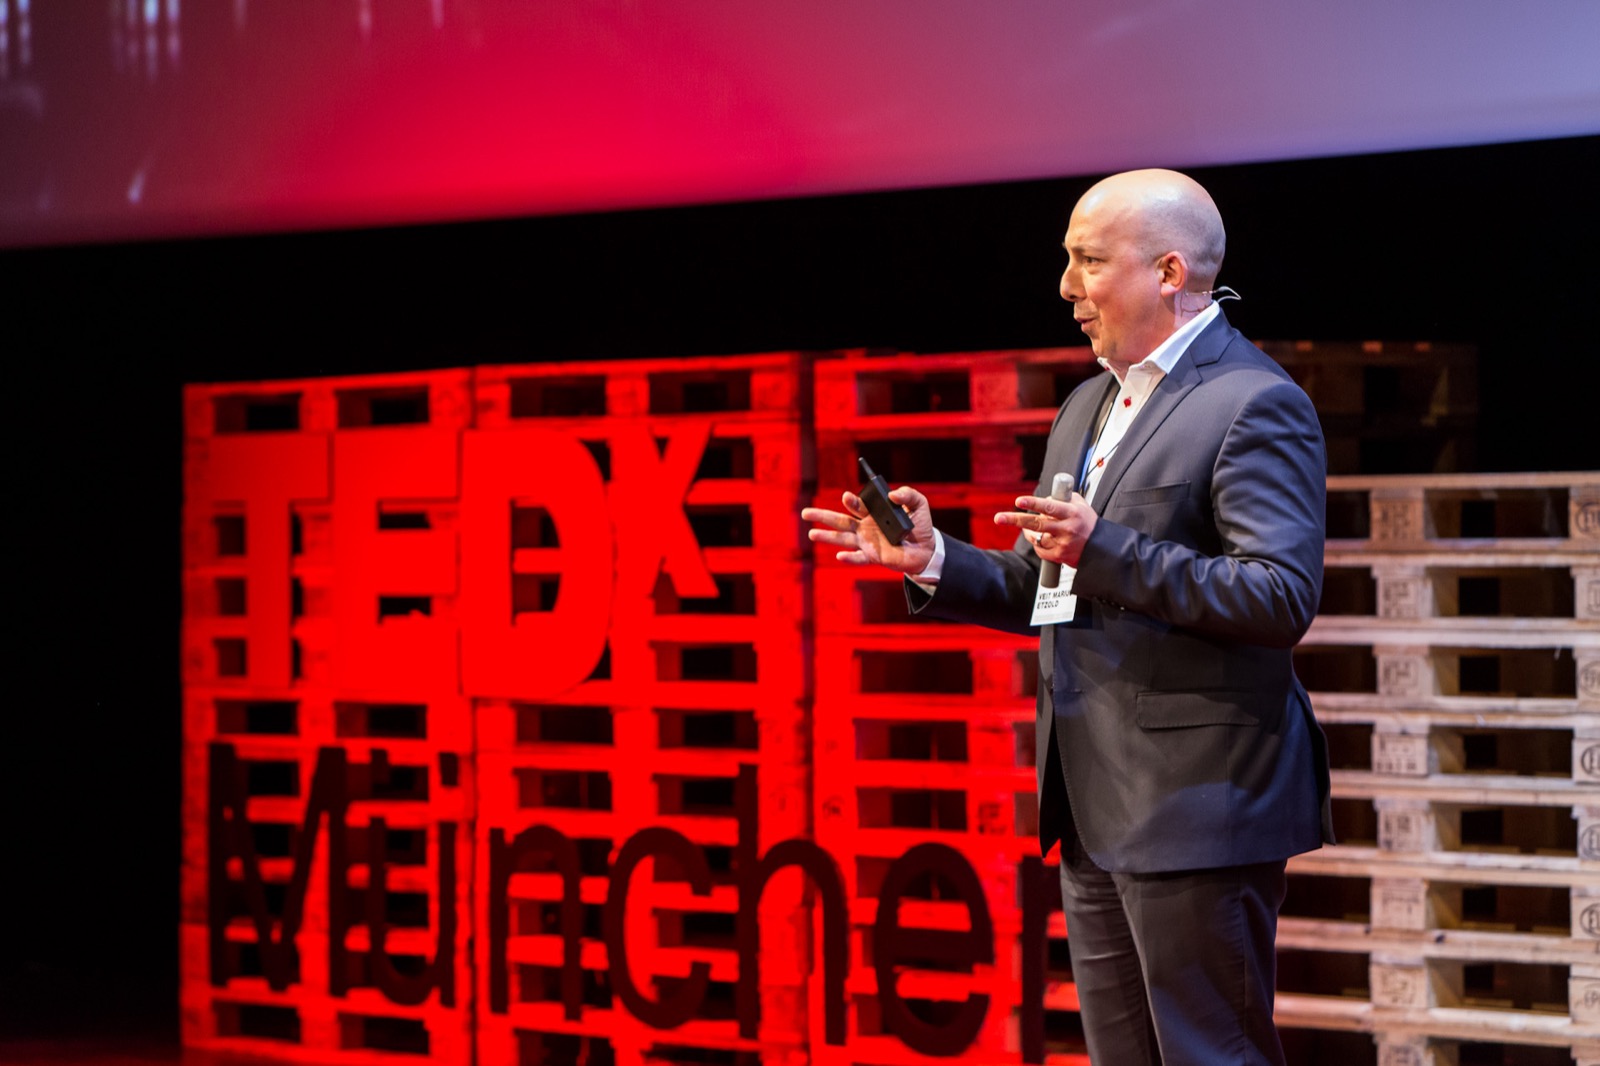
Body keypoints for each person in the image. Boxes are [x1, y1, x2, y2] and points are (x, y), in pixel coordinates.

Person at [803, 169, 1333, 1066]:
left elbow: (1278, 596)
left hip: (1198, 809)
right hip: (1094, 806)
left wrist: (1105, 549)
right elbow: (1049, 586)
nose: (1066, 287)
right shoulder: (1091, 402)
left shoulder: (1252, 401)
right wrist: (933, 559)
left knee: (1213, 1055)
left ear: (1169, 272)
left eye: (1088, 261)